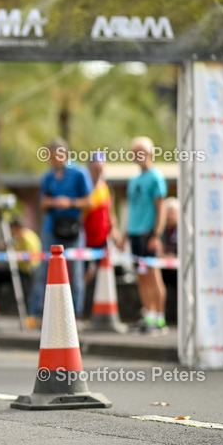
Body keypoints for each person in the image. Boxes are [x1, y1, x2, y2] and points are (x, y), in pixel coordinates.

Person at [29, 138, 93, 325]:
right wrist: (48, 203)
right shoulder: (48, 176)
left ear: (63, 153)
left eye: (53, 155)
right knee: (43, 270)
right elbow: (42, 201)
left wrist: (69, 202)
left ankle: (76, 314)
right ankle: (38, 312)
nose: (51, 159)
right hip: (51, 227)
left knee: (76, 271)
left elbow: (89, 201)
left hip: (72, 228)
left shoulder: (79, 173)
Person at [120, 137, 167, 334]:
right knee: (141, 276)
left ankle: (159, 319)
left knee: (153, 274)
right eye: (135, 152)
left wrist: (156, 234)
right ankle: (148, 314)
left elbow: (161, 208)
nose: (138, 156)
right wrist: (124, 234)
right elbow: (131, 209)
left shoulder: (156, 177)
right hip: (134, 233)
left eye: (142, 152)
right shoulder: (133, 181)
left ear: (150, 153)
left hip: (148, 232)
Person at [83, 151, 118, 286]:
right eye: (95, 168)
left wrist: (114, 228)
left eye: (101, 168)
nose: (98, 172)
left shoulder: (106, 187)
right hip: (86, 238)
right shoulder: (85, 188)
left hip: (102, 239)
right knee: (86, 272)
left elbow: (111, 211)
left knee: (103, 272)